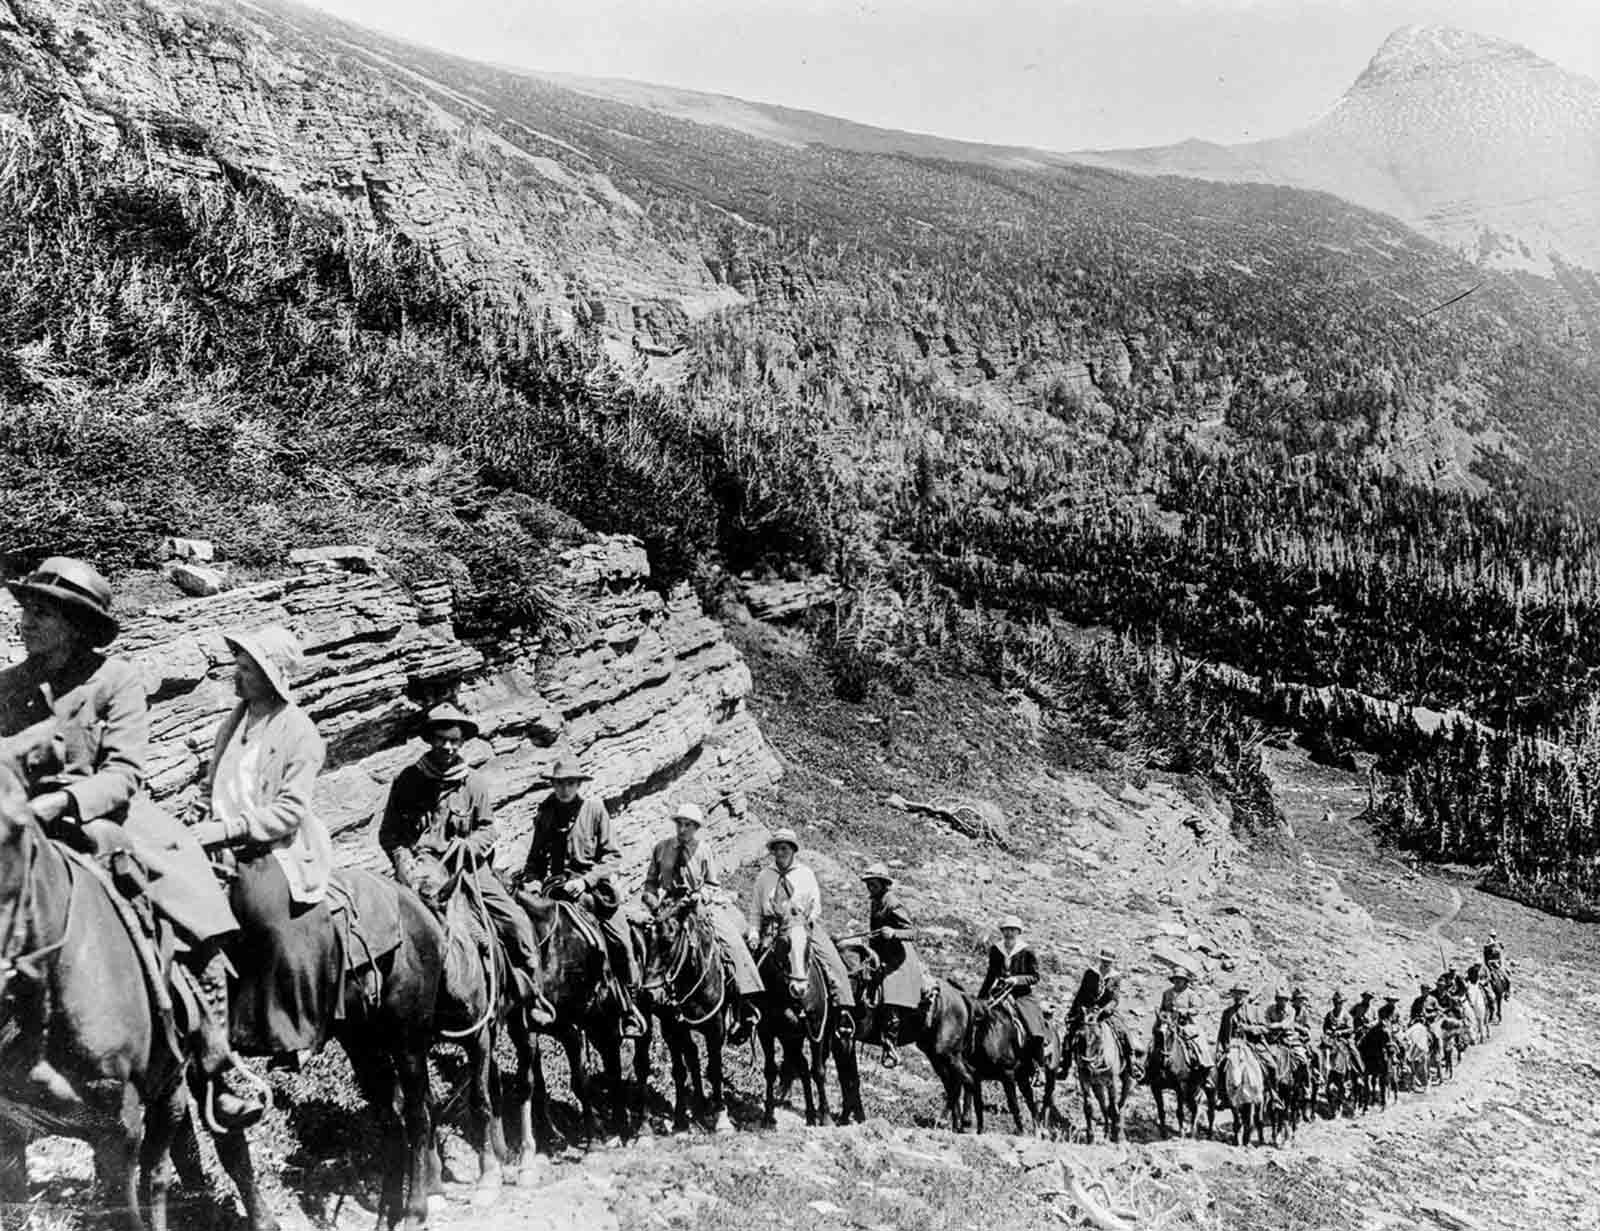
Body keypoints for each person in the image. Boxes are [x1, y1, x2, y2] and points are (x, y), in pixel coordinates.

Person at [0, 558, 256, 1129]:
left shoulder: (117, 680)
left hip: (102, 819)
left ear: (74, 622)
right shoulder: (9, 686)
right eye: (25, 610)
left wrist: (62, 802)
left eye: (39, 612)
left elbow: (123, 774)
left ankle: (216, 1058)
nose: (25, 622)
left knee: (182, 902)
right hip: (20, 825)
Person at [189, 625, 335, 1099]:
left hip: (271, 847)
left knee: (266, 915)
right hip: (218, 841)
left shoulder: (299, 732)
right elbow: (214, 784)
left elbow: (290, 811)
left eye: (248, 669)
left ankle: (286, 1030)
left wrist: (229, 829)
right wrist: (198, 812)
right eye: (239, 666)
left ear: (272, 677)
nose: (239, 675)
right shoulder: (234, 721)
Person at [378, 703, 547, 1013]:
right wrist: (404, 864)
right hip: (420, 872)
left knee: (517, 920)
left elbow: (487, 829)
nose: (447, 746)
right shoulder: (408, 781)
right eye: (441, 738)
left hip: (467, 869)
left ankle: (533, 995)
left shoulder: (473, 783)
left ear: (462, 742)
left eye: (454, 740)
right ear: (429, 739)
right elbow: (389, 834)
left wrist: (469, 846)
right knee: (381, 928)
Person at [521, 757, 645, 1037]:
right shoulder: (545, 813)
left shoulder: (595, 810)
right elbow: (534, 859)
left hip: (592, 891)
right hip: (553, 890)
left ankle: (628, 1007)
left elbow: (612, 857)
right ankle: (531, 1002)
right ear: (552, 785)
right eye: (560, 784)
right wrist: (532, 880)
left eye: (570, 783)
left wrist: (586, 881)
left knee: (621, 940)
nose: (565, 789)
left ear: (579, 785)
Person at [640, 801, 763, 1043]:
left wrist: (701, 895)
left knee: (733, 943)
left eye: (688, 825)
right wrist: (652, 902)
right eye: (680, 824)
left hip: (698, 907)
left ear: (696, 828)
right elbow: (651, 882)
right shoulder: (661, 848)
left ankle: (745, 1002)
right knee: (646, 942)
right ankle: (639, 999)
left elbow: (712, 884)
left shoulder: (703, 850)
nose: (683, 829)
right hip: (667, 907)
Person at [745, 828, 856, 1034]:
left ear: (793, 850)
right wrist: (753, 934)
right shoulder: (764, 876)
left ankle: (843, 1010)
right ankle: (746, 1014)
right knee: (746, 963)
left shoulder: (805, 874)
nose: (780, 853)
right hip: (772, 929)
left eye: (785, 848)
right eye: (777, 849)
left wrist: (806, 922)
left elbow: (816, 907)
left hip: (802, 927)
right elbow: (755, 910)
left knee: (832, 961)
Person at [858, 862, 927, 1069]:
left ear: (883, 883)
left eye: (873, 883)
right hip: (879, 955)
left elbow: (912, 933)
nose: (870, 887)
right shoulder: (875, 901)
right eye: (868, 883)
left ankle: (890, 1042)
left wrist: (894, 933)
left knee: (890, 991)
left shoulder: (893, 903)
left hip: (899, 959)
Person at [977, 914, 1049, 1064]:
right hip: (999, 992)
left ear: (1018, 932)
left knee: (1034, 1029)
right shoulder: (996, 950)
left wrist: (1017, 980)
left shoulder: (1027, 951)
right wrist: (981, 997)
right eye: (1006, 930)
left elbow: (1035, 976)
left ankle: (1038, 1063)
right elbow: (991, 975)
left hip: (1022, 994)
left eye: (1012, 930)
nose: (1009, 933)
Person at [1069, 946, 1135, 1078]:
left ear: (1112, 962)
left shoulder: (1115, 977)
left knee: (1123, 1032)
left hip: (1106, 1014)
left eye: (1108, 961)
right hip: (1087, 1011)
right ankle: (1066, 1064)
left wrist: (1105, 1009)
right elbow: (1081, 994)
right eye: (1104, 960)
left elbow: (1115, 999)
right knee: (1071, 1032)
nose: (1106, 963)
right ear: (1100, 960)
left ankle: (1130, 1063)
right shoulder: (1090, 973)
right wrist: (1077, 1009)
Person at [1152, 965, 1211, 1074]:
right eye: (1176, 979)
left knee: (1199, 1043)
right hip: (1169, 1023)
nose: (1177, 981)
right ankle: (1148, 1068)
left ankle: (1205, 1068)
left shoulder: (1190, 994)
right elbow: (1163, 1008)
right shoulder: (1167, 993)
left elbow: (1197, 1009)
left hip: (1186, 1024)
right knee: (1156, 1038)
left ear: (1185, 981)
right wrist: (1162, 1015)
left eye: (1180, 979)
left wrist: (1185, 1011)